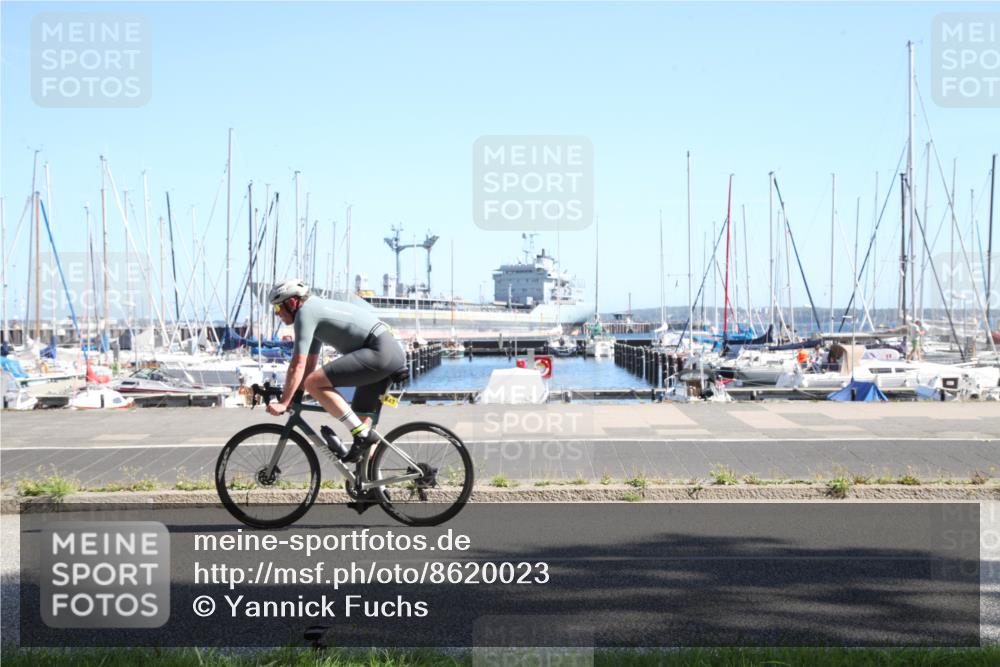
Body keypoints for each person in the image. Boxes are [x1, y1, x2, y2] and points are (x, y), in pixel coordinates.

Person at [266, 279, 406, 463]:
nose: (277, 314)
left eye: (278, 309)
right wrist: (295, 397)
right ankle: (375, 488)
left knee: (315, 384)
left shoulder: (305, 313)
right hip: (386, 353)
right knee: (360, 422)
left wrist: (284, 402)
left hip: (379, 351)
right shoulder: (313, 312)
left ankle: (362, 435)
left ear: (292, 303)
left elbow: (297, 364)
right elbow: (309, 364)